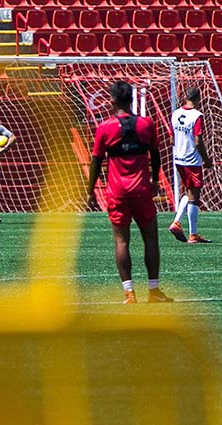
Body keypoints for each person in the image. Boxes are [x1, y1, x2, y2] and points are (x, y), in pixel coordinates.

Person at [86, 81, 172, 304]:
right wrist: (154, 180)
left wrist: (90, 190)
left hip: (117, 191)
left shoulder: (104, 127)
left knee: (121, 242)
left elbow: (96, 161)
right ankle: (154, 291)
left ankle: (129, 293)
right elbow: (156, 155)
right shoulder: (147, 124)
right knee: (151, 239)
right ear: (131, 99)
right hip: (141, 188)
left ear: (112, 101)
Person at [167, 87, 213, 244]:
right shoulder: (197, 116)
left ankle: (178, 222)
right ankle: (192, 234)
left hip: (178, 159)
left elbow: (172, 140)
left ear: (184, 97)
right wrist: (206, 159)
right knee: (195, 195)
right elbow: (198, 141)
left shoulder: (175, 113)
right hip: (191, 160)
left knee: (189, 191)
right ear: (199, 98)